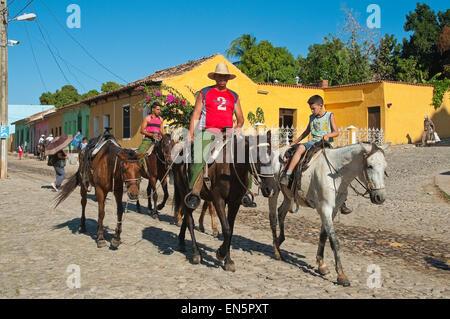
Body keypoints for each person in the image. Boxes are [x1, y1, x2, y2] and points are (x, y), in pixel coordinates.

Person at [184, 62, 255, 209]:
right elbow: (196, 114)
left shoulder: (233, 95)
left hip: (228, 132)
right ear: (215, 77)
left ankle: (245, 190)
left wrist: (238, 127)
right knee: (198, 154)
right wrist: (190, 133)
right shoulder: (204, 92)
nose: (222, 79)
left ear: (228, 78)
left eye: (225, 76)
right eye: (220, 76)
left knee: (246, 153)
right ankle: (195, 191)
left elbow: (240, 118)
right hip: (208, 131)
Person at [280, 95, 352, 214]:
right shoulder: (312, 117)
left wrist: (328, 135)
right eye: (311, 108)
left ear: (320, 106)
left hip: (325, 144)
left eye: (313, 108)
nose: (312, 110)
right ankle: (287, 175)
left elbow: (336, 132)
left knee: (338, 170)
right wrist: (295, 142)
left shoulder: (329, 115)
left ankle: (342, 201)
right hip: (313, 143)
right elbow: (307, 132)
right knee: (300, 148)